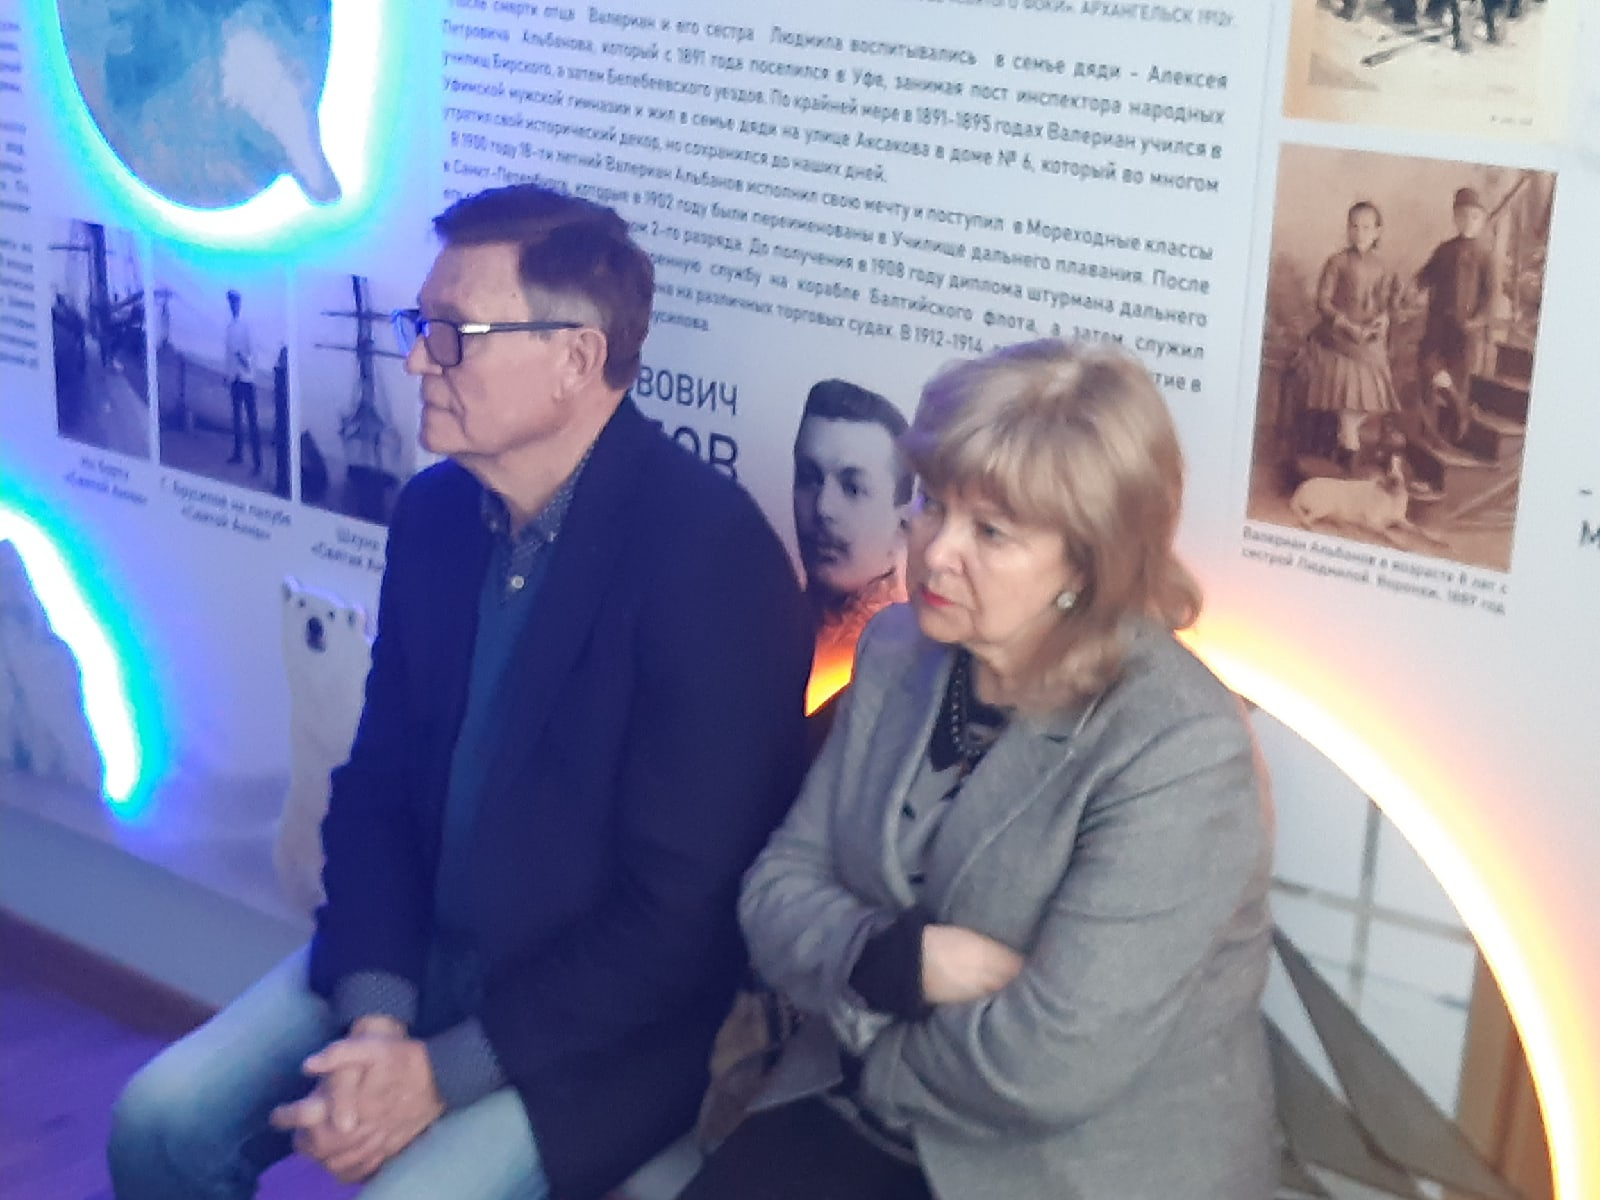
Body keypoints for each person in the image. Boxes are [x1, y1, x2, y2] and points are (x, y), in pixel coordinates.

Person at [109, 184, 814, 1200]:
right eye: (421, 325)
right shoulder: (436, 515)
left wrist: (436, 1076)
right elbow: (378, 787)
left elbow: (678, 923)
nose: (415, 361)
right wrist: (378, 1018)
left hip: (597, 1031)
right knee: (158, 1121)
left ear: (576, 359)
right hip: (417, 961)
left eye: (453, 334)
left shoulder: (712, 563)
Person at [680, 339, 1277, 1200]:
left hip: (1061, 1170)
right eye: (931, 503)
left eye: (990, 531)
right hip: (858, 1122)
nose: (935, 552)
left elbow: (1044, 1069)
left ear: (1089, 559)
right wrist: (896, 960)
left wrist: (865, 1044)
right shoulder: (898, 649)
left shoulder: (1177, 747)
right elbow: (773, 893)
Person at [792, 379, 913, 697]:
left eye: (853, 488)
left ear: (902, 522)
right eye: (809, 478)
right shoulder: (768, 629)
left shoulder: (901, 680)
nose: (823, 508)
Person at [1294, 201, 1404, 474]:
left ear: (1378, 231)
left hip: (1370, 341)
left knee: (1366, 402)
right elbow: (1323, 301)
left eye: (1366, 227)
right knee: (1347, 404)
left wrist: (1382, 319)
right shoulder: (1337, 262)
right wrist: (1345, 323)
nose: (1359, 233)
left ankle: (1346, 440)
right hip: (1337, 340)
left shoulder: (1383, 266)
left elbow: (1388, 304)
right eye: (1354, 226)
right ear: (1347, 229)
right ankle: (1347, 453)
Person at [1415, 186, 1497, 445]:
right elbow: (1425, 275)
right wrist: (1413, 287)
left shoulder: (1486, 255)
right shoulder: (1444, 250)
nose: (1468, 222)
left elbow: (1490, 297)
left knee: (1459, 378)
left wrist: (1476, 322)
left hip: (1465, 331)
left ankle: (1452, 434)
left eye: (1474, 217)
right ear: (1454, 217)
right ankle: (1457, 410)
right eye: (1462, 216)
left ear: (1482, 220)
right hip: (1438, 325)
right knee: (1428, 365)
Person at [224, 287, 263, 475]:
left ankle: (258, 463)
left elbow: (253, 351)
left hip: (247, 379)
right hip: (235, 379)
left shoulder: (247, 325)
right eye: (231, 303)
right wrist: (227, 374)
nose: (233, 306)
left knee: (252, 421)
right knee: (237, 419)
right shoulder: (229, 327)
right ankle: (238, 453)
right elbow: (228, 355)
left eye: (235, 302)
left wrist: (244, 360)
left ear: (240, 304)